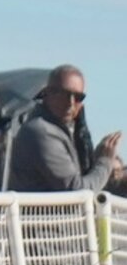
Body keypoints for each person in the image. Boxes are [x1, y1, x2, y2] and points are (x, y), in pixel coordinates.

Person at [9, 64, 121, 192]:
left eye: (78, 97)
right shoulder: (42, 132)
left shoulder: (63, 131)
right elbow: (76, 190)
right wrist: (105, 162)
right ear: (48, 94)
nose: (71, 103)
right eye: (65, 94)